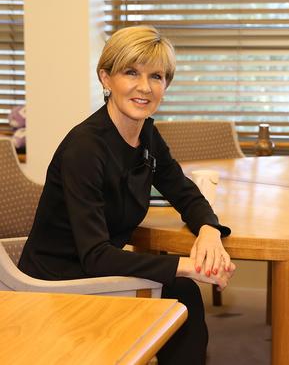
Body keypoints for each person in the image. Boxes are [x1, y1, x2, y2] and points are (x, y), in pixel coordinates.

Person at [18, 26, 234, 364]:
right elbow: (95, 256)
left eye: (157, 76)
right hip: (56, 280)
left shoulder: (145, 132)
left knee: (181, 295)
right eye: (131, 72)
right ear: (106, 78)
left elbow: (183, 191)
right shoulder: (85, 147)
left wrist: (209, 229)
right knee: (182, 290)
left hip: (94, 268)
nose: (144, 87)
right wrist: (188, 265)